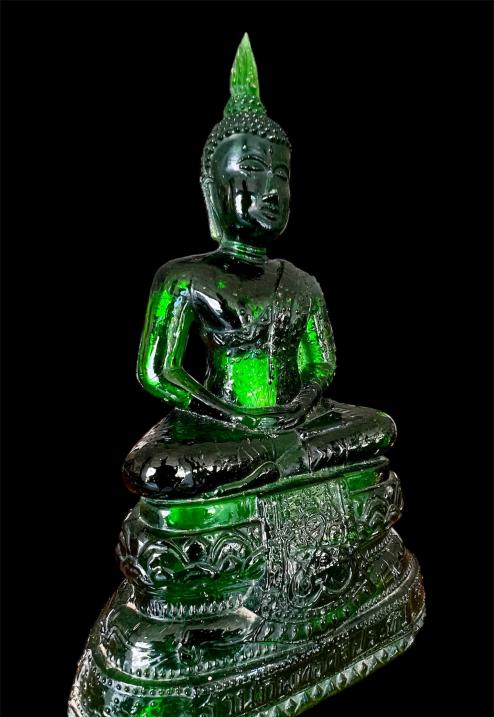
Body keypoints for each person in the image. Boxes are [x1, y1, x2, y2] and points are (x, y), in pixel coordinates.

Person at [123, 34, 395, 500]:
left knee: (377, 426)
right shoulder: (184, 277)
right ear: (212, 187)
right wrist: (234, 416)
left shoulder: (302, 282)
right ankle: (281, 459)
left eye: (281, 174)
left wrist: (299, 406)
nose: (270, 188)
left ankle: (275, 458)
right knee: (159, 468)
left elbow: (321, 362)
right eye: (251, 168)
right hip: (219, 422)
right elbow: (158, 372)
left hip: (300, 419)